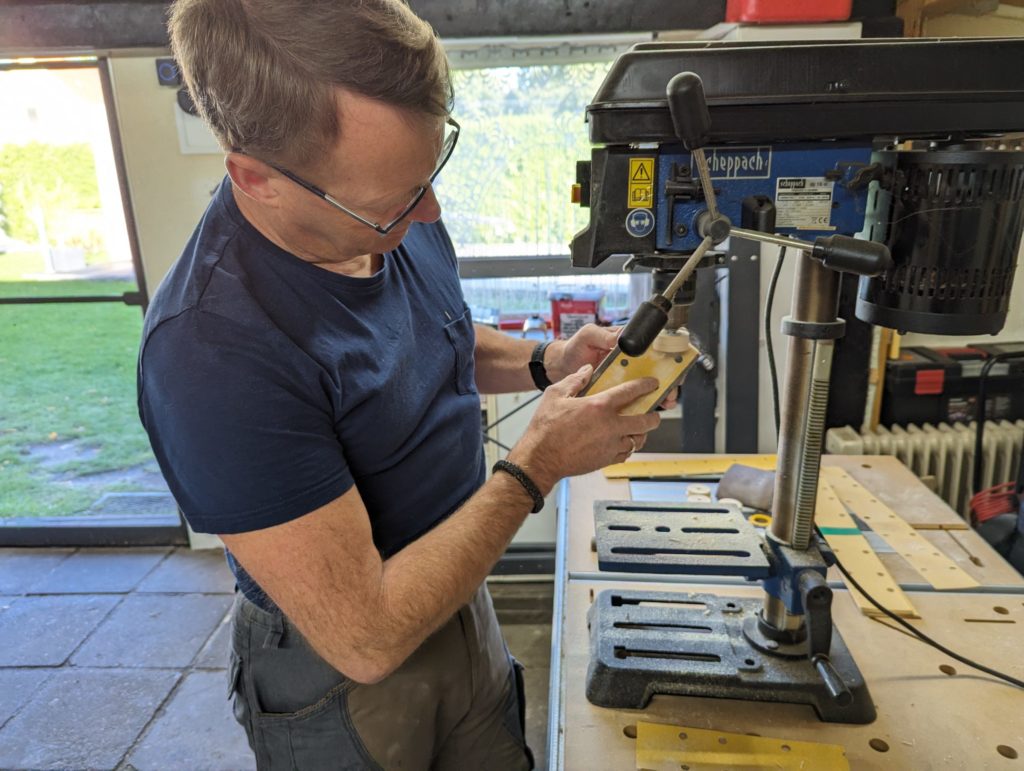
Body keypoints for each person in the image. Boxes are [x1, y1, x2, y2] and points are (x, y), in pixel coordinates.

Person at [139, 1, 664, 768]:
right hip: (342, 670)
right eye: (393, 202)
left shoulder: (395, 208)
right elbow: (367, 637)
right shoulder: (211, 351)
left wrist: (547, 358)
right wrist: (537, 464)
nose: (429, 211)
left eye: (427, 175)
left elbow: (432, 334)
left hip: (460, 585)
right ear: (257, 178)